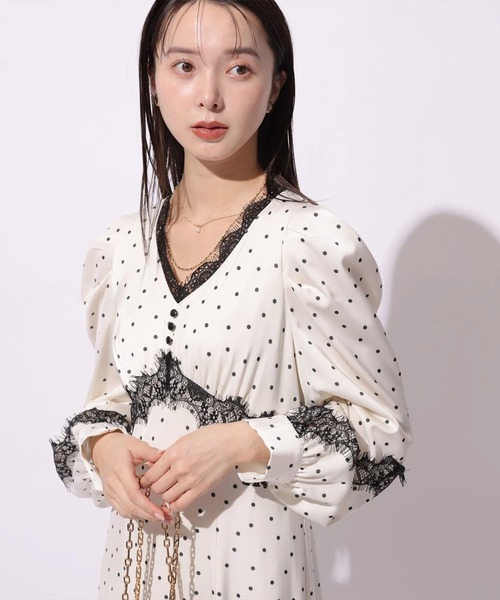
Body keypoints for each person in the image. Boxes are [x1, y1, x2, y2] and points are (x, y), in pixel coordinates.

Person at [51, 1, 411, 598]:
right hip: (132, 571)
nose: (209, 97)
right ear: (153, 82)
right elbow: (109, 402)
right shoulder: (121, 248)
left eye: (239, 68)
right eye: (185, 67)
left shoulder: (307, 244)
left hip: (253, 572)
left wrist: (240, 442)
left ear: (275, 87)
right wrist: (104, 446)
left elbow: (379, 435)